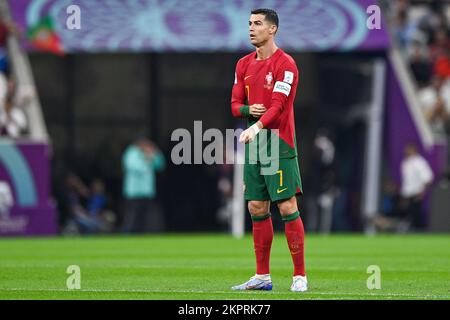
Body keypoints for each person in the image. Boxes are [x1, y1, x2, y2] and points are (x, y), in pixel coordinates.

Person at [230, 8, 307, 292]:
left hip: (278, 143)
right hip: (255, 144)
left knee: (287, 206)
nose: (251, 28)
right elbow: (235, 104)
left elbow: (279, 106)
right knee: (256, 206)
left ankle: (299, 276)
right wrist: (249, 111)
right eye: (249, 23)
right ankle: (262, 277)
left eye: (258, 23)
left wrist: (256, 125)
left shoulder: (285, 64)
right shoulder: (242, 65)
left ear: (272, 29)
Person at [121, 137, 165, 233]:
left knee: (144, 216)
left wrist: (154, 155)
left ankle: (141, 235)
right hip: (133, 192)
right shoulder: (132, 152)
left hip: (147, 191)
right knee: (132, 216)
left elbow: (160, 165)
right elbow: (133, 167)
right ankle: (128, 234)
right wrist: (147, 159)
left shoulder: (151, 152)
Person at [400, 143, 434, 230]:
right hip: (407, 194)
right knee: (407, 215)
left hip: (416, 193)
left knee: (415, 215)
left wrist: (422, 192)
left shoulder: (419, 162)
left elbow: (428, 178)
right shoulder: (406, 162)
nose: (406, 151)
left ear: (414, 150)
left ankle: (418, 233)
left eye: (408, 149)